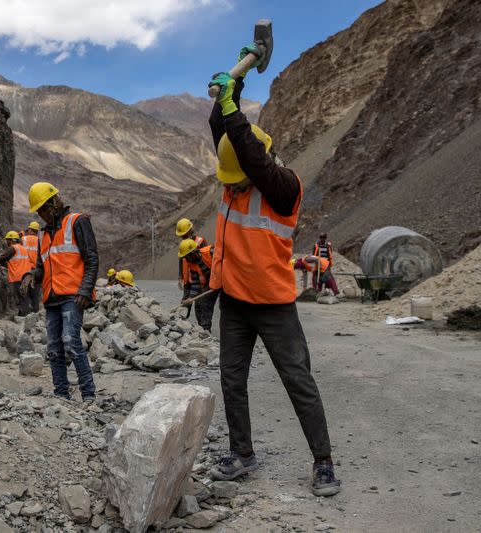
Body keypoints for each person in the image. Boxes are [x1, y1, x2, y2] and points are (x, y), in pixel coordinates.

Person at [206, 47, 340, 496]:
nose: (232, 185)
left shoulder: (282, 187)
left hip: (275, 304)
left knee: (297, 379)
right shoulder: (235, 172)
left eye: (238, 177)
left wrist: (232, 107)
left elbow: (251, 156)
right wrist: (233, 87)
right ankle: (242, 453)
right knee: (231, 380)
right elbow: (224, 132)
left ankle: (323, 462)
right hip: (236, 303)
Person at [21, 182, 98, 402]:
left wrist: (86, 290)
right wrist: (30, 275)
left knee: (71, 342)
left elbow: (92, 258)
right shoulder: (43, 235)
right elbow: (42, 267)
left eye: (45, 208)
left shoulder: (77, 221)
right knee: (54, 348)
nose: (43, 214)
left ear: (55, 202)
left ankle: (89, 394)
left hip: (73, 296)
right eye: (39, 211)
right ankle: (61, 394)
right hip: (51, 298)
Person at [0, 231, 34, 316]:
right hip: (26, 276)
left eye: (7, 240)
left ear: (11, 240)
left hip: (18, 277)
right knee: (24, 297)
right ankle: (25, 314)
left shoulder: (13, 248)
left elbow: (3, 257)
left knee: (20, 297)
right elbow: (14, 262)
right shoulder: (22, 248)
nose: (6, 242)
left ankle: (23, 316)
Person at [178, 239, 217, 331]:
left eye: (187, 256)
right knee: (201, 303)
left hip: (224, 280)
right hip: (210, 282)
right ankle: (204, 330)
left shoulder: (210, 252)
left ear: (193, 253)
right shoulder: (191, 263)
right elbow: (196, 282)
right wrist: (191, 297)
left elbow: (226, 262)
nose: (186, 259)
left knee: (226, 305)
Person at [175, 218, 208, 291]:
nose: (183, 237)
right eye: (181, 236)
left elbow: (207, 261)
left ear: (190, 231)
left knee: (199, 300)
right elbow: (181, 260)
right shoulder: (183, 245)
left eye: (184, 235)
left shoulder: (200, 242)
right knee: (186, 300)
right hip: (188, 278)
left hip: (201, 277)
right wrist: (180, 277)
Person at [21, 221, 41, 312]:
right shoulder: (39, 240)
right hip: (35, 269)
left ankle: (24, 312)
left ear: (30, 229)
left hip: (24, 268)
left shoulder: (23, 239)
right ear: (37, 231)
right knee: (35, 292)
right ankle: (35, 311)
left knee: (25, 290)